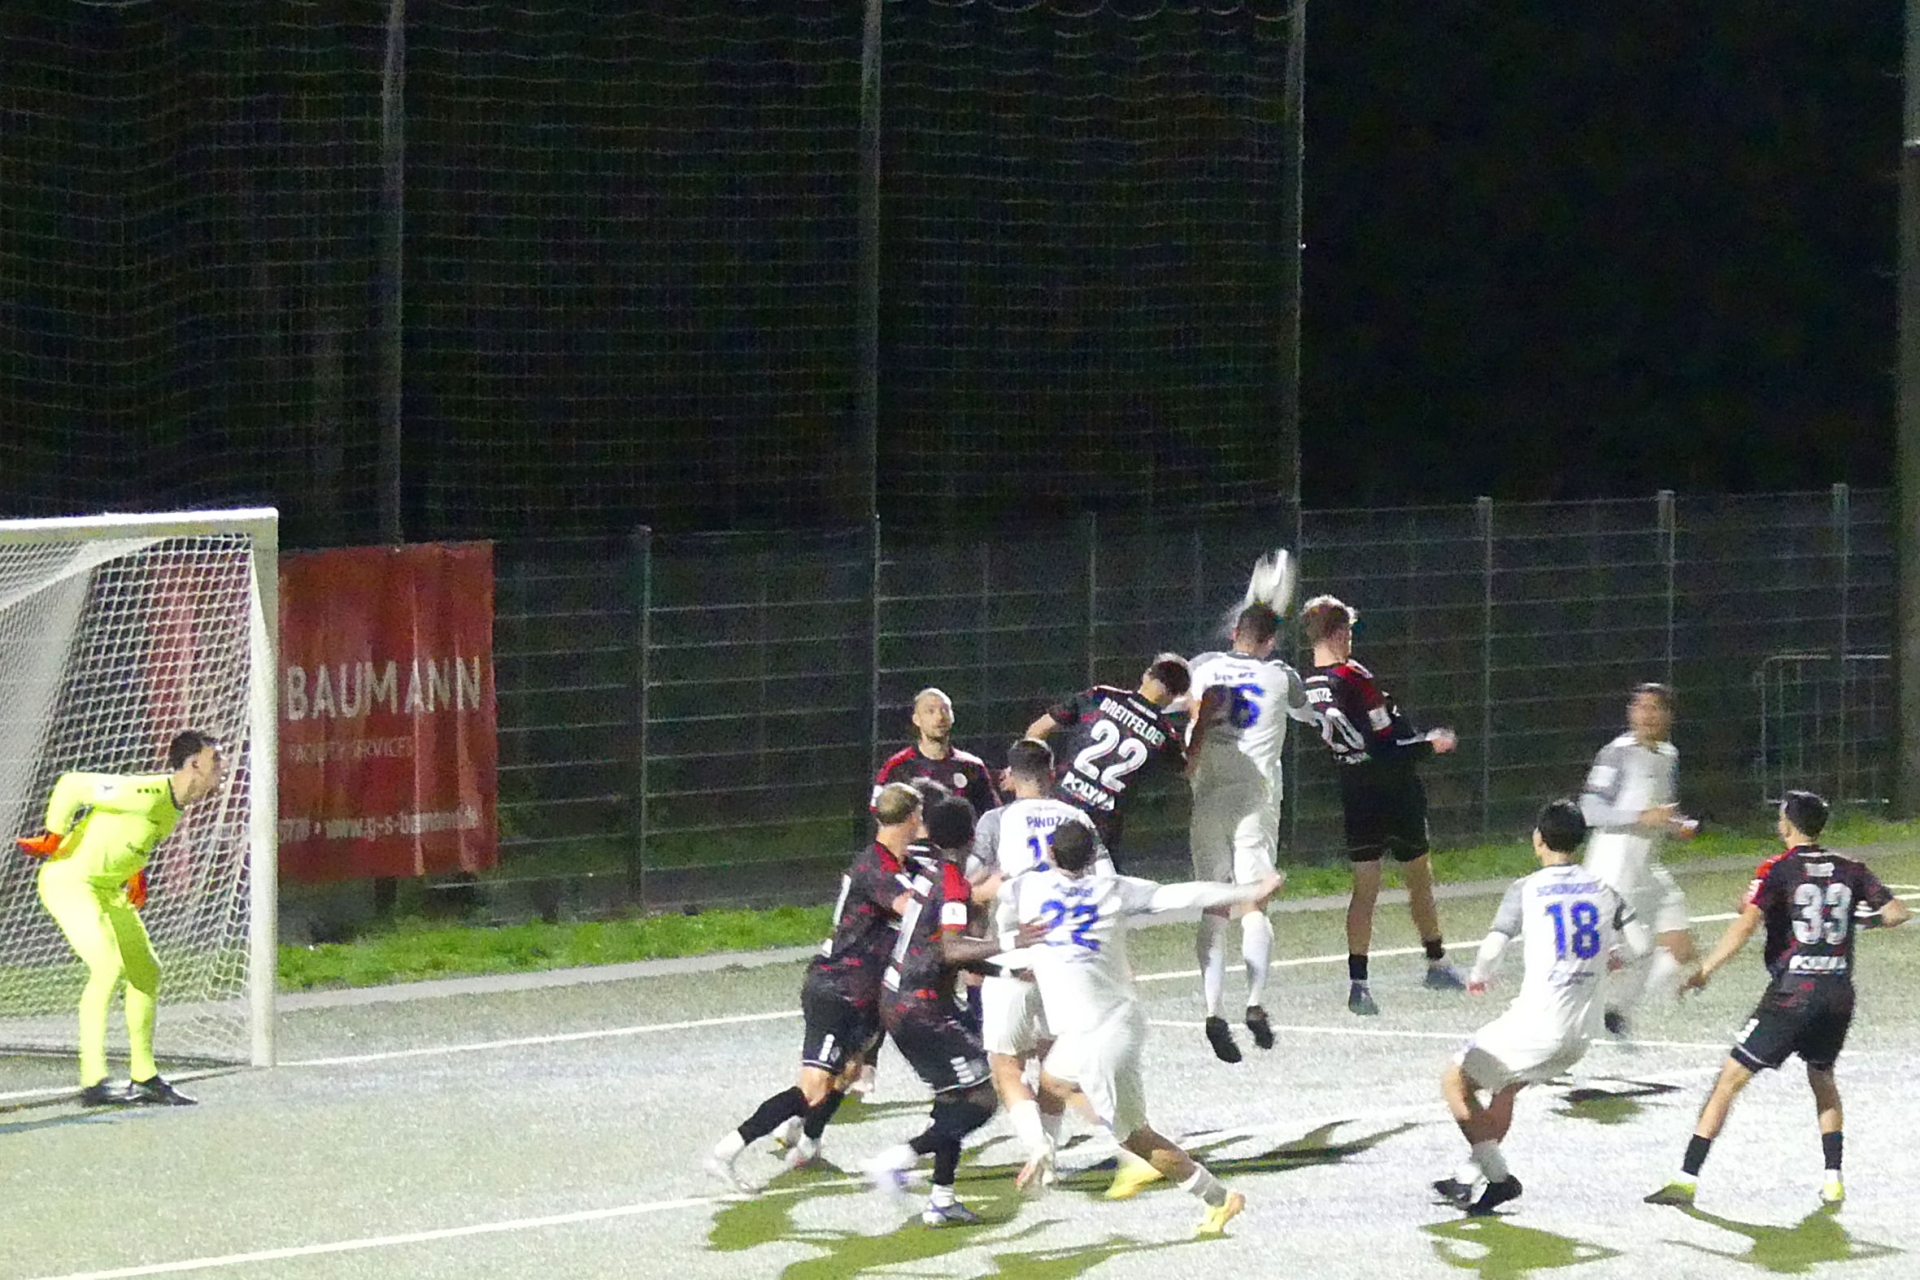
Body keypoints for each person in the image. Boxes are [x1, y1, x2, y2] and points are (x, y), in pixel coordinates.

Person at [1001, 822, 1281, 1236]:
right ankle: (1045, 1153)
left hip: (1100, 1037)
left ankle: (1219, 1198)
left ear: (1050, 856)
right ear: (1093, 858)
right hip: (1106, 1022)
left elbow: (988, 891)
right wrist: (1251, 890)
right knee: (1053, 1080)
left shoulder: (1028, 888)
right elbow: (1185, 894)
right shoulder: (1113, 890)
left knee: (1136, 1138)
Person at [1646, 790, 1910, 1209]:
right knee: (1822, 1078)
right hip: (1838, 994)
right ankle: (1833, 1180)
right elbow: (1897, 913)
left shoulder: (1779, 869)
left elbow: (1744, 924)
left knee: (1729, 1081)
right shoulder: (1852, 868)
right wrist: (1862, 919)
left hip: (1792, 995)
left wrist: (1705, 970)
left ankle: (1685, 1179)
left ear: (1786, 824)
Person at [1433, 799, 1650, 1217]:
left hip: (1537, 1026)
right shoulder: (1604, 889)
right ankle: (1467, 1176)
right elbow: (1641, 945)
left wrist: (1478, 976)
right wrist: (1613, 959)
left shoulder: (1527, 889)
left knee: (1454, 1082)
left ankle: (1500, 1178)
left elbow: (1492, 948)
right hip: (1580, 1035)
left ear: (1538, 839)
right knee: (1506, 1086)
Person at [967, 738, 1161, 1200]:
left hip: (1016, 956)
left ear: (1008, 777)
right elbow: (1107, 886)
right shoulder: (1077, 819)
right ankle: (1129, 1152)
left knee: (1006, 1064)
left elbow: (972, 885)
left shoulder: (996, 820)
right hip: (1067, 963)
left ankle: (1040, 1149)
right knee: (1058, 1067)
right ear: (1052, 774)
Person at [706, 782, 922, 1191]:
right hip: (838, 988)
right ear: (912, 819)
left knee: (849, 1072)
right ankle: (726, 1151)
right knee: (812, 1088)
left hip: (863, 991)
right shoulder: (877, 867)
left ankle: (808, 1144)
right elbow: (912, 911)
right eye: (920, 817)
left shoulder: (897, 863)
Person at [17, 730, 224, 1105]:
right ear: (195, 764)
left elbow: (127, 837)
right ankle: (93, 1081)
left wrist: (134, 872)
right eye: (216, 760)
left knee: (146, 971)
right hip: (70, 883)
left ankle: (144, 1077)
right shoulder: (146, 792)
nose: (222, 768)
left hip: (106, 889)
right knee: (107, 967)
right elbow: (72, 785)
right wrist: (53, 835)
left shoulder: (175, 807)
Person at [1299, 594, 1463, 1014]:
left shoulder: (1309, 684)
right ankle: (1436, 963)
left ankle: (1359, 985)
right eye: (1348, 630)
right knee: (1419, 878)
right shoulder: (1355, 677)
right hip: (1394, 792)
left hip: (1355, 792)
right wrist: (1431, 744)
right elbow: (1387, 745)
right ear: (1339, 632)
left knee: (1365, 889)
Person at [862, 796, 1014, 1226]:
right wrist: (1012, 943)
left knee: (952, 1099)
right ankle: (897, 1159)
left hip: (902, 999)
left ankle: (941, 1200)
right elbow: (951, 949)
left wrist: (1006, 971)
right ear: (972, 835)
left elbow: (936, 949)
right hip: (923, 1007)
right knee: (981, 1099)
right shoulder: (951, 882)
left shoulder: (929, 872)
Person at [1185, 601, 1318, 1063]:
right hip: (1254, 801)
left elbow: (1186, 700)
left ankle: (1212, 1012)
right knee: (1254, 905)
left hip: (1207, 797)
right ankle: (1255, 1003)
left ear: (1234, 631)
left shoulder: (1204, 669)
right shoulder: (1281, 675)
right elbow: (1308, 714)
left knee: (1214, 906)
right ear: (1272, 641)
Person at [1580, 682, 1700, 1036]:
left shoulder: (1669, 755)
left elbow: (1660, 811)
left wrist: (1677, 824)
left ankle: (1616, 1011)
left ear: (1669, 715)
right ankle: (1579, 1016)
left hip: (1649, 868)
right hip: (1615, 869)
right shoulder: (1616, 753)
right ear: (1630, 713)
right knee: (1623, 953)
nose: (1647, 714)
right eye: (1640, 707)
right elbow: (1589, 810)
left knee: (1680, 947)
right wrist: (1640, 817)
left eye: (1655, 708)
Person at [1025, 654, 1190, 863]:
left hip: (1058, 802)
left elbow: (1038, 729)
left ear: (1147, 675)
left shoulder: (1100, 696)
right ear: (1175, 696)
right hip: (1101, 825)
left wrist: (1030, 779)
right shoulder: (1165, 734)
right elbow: (1187, 770)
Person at [873, 687, 1001, 818]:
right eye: (930, 711)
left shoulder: (972, 766)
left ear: (952, 717)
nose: (939, 717)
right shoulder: (897, 766)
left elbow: (991, 815)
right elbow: (879, 813)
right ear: (916, 719)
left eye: (945, 710)